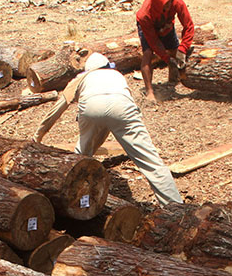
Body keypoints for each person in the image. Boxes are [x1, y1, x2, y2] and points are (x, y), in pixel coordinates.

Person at [33, 52, 183, 206]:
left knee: (81, 158)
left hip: (91, 109)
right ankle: (175, 205)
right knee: (150, 161)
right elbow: (121, 104)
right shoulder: (117, 75)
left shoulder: (81, 78)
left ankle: (74, 199)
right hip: (122, 108)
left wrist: (37, 137)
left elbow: (58, 109)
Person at [136, 0, 195, 102]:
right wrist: (166, 58)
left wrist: (183, 48)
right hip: (149, 28)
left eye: (170, 2)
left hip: (166, 25)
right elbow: (153, 41)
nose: (169, 5)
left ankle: (173, 80)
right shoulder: (144, 15)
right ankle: (149, 92)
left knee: (174, 51)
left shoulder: (176, 2)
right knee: (148, 54)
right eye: (166, 3)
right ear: (158, 3)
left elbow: (188, 25)